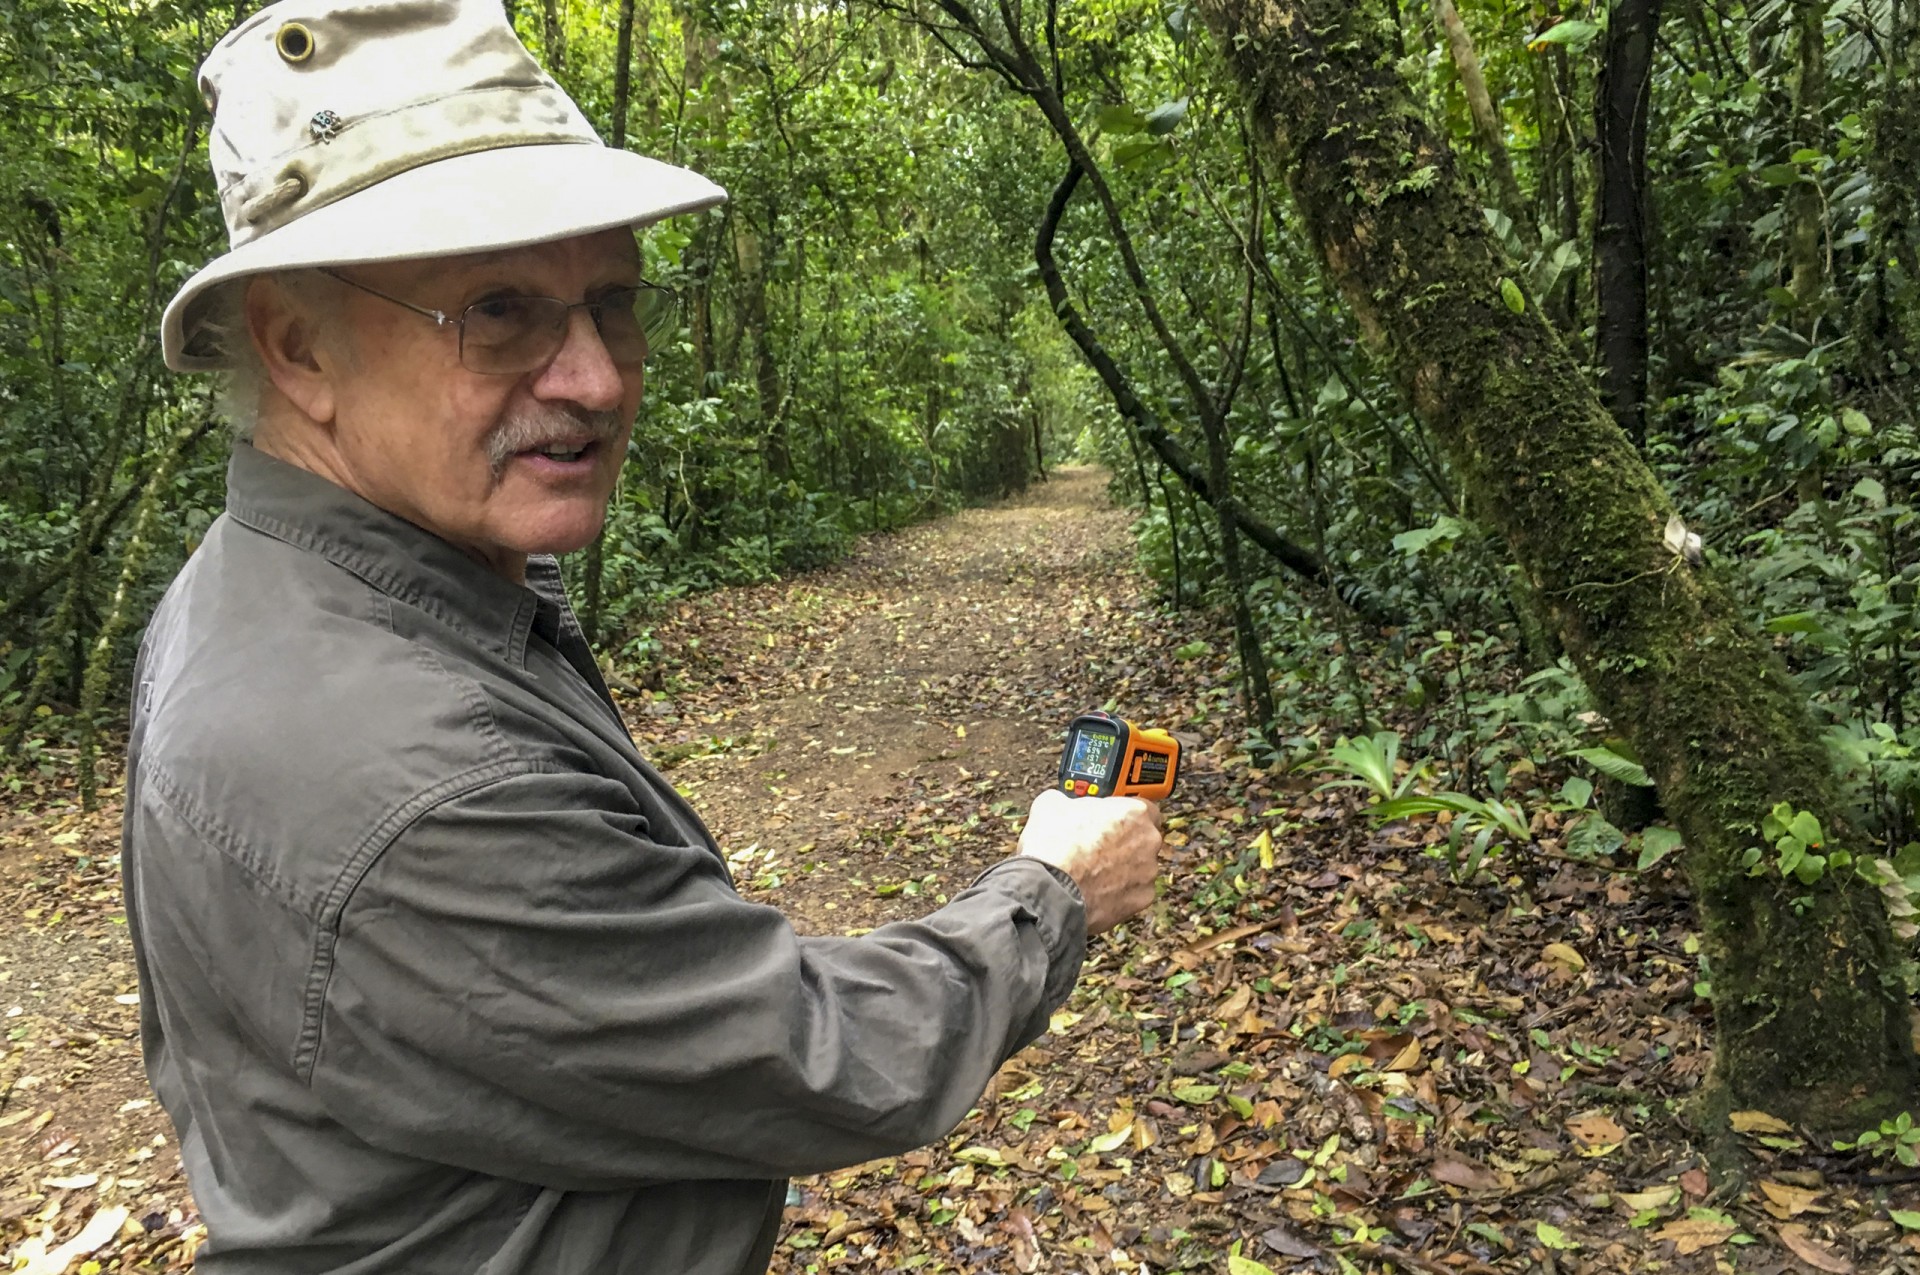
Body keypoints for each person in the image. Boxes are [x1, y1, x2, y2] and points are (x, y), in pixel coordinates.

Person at [124, 1, 1164, 1271]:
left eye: (611, 302)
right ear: (299, 345)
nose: (598, 378)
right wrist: (1051, 892)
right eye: (499, 311)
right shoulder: (407, 776)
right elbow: (810, 1054)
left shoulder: (271, 583)